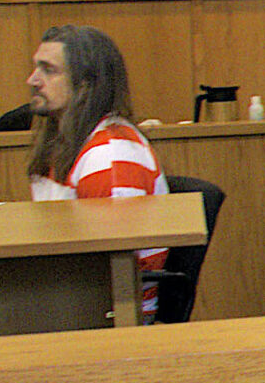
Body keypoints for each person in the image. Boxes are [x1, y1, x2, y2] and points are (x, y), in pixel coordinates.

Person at [24, 25, 170, 321]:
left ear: (86, 84)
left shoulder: (109, 155)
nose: (33, 80)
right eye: (35, 67)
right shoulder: (70, 144)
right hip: (74, 298)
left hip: (113, 315)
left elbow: (118, 266)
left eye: (48, 70)